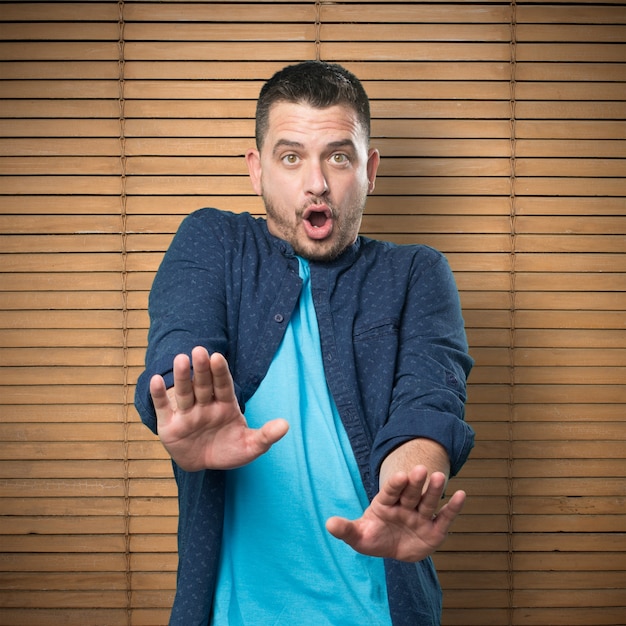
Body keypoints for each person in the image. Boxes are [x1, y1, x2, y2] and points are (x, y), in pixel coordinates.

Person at [135, 60, 474, 626]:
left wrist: (408, 486)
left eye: (338, 157)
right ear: (257, 169)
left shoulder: (417, 273)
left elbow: (428, 406)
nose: (316, 182)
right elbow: (177, 355)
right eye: (290, 157)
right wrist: (182, 420)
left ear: (369, 170)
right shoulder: (213, 242)